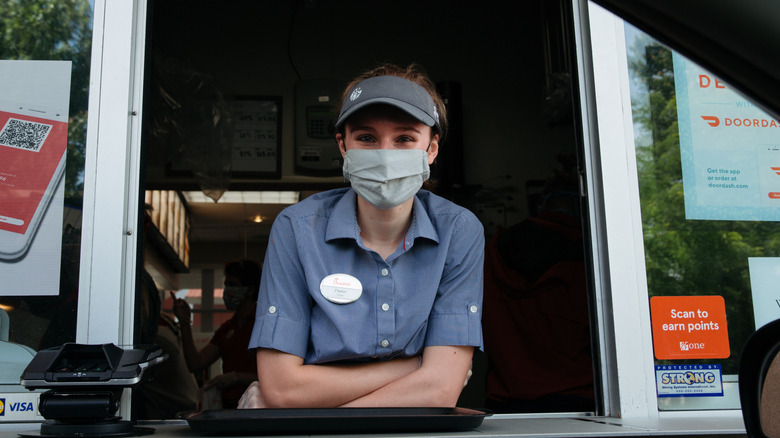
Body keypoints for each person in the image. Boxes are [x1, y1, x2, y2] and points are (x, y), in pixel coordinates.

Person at [238, 63, 485, 409]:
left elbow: (439, 391)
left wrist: (311, 411)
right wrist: (413, 367)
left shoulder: (458, 230)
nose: (385, 155)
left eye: (404, 139)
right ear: (343, 146)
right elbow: (283, 389)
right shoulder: (297, 227)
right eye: (367, 138)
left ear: (431, 149)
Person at [481, 160, 595, 413]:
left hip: (506, 402)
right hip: (581, 401)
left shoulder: (492, 253)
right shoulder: (594, 259)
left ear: (542, 202)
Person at [173, 258, 261, 409]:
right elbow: (195, 364)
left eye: (232, 285)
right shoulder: (227, 328)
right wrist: (184, 322)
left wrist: (236, 377)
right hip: (229, 407)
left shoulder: (263, 324)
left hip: (257, 406)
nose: (227, 290)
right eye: (226, 285)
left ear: (250, 290)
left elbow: (279, 377)